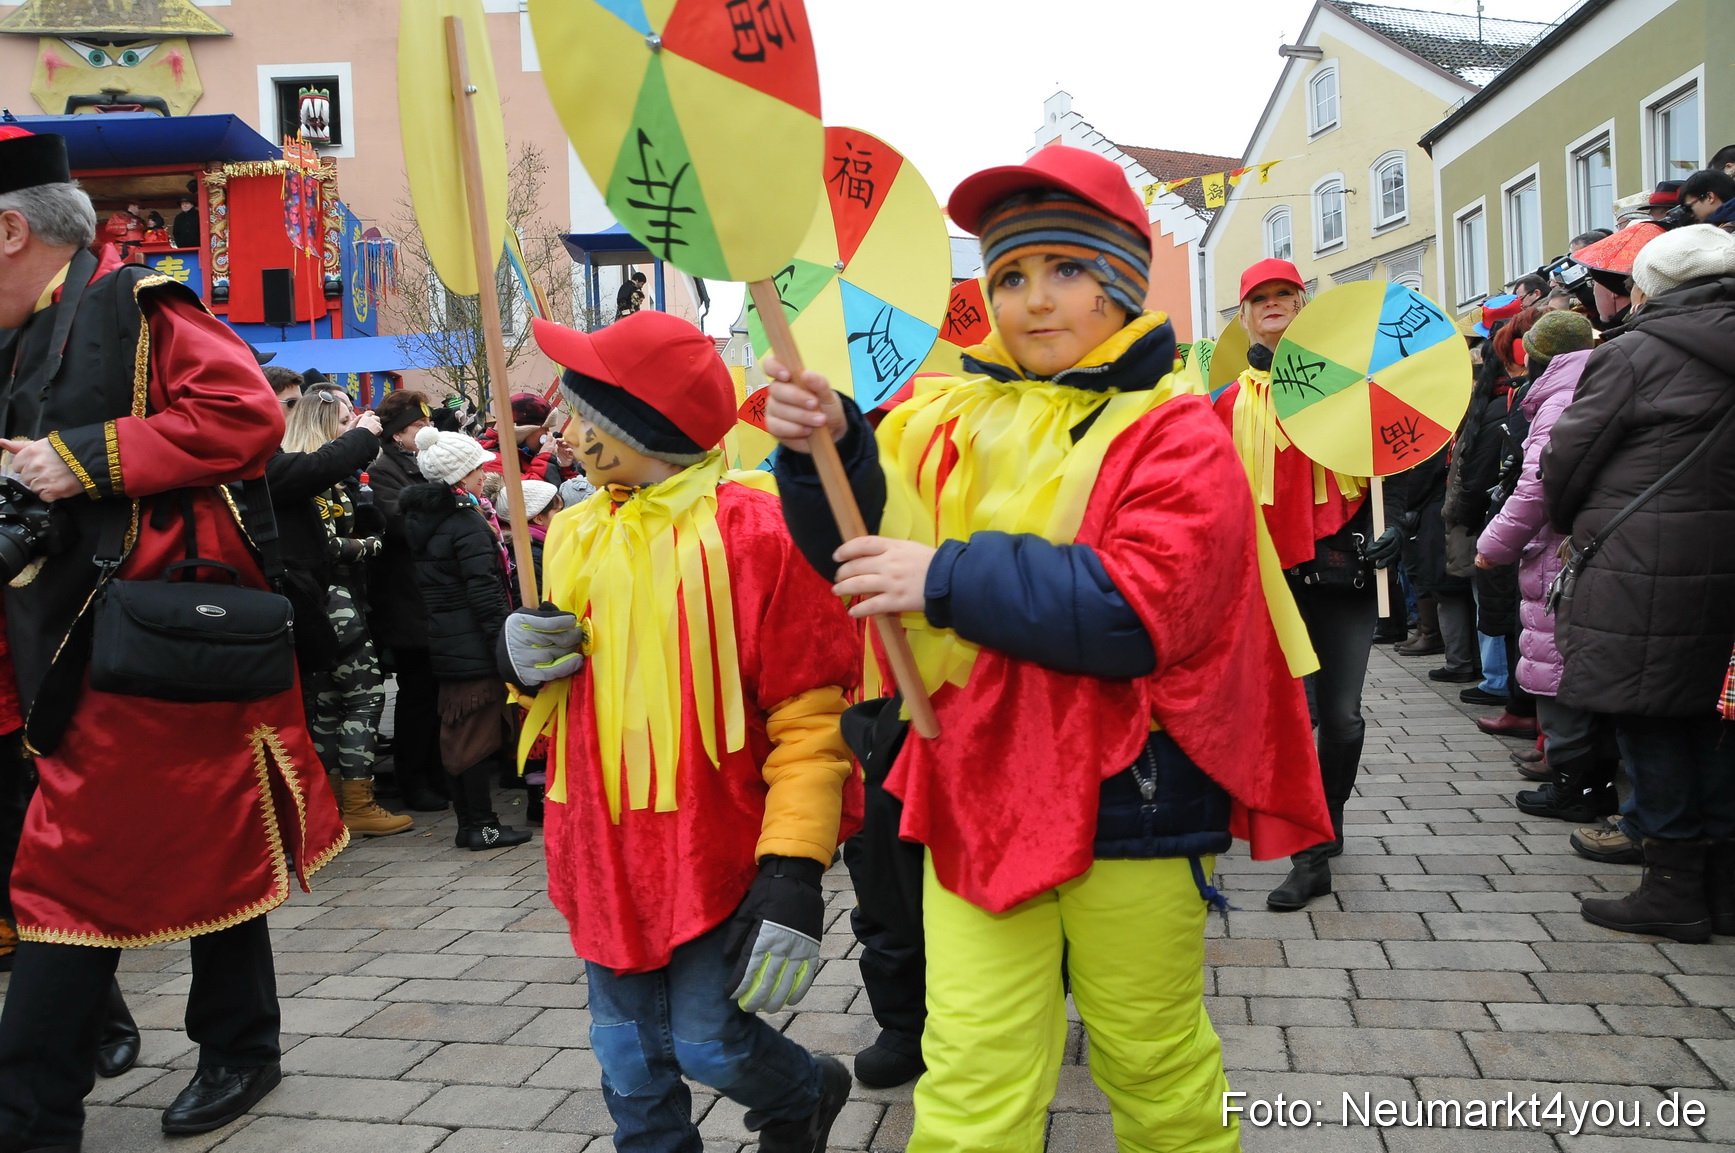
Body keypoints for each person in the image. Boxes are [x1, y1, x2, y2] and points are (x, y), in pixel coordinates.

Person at [765, 145, 1328, 1151]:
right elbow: (855, 543)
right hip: (977, 787)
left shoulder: (1175, 432)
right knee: (972, 1066)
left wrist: (941, 577)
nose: (1033, 301)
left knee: (1149, 1057)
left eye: (1065, 270)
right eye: (1011, 276)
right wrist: (828, 450)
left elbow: (1139, 611)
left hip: (1135, 796)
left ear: (1119, 281)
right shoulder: (948, 417)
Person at [0, 129, 346, 1146]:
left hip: (144, 645)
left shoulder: (141, 303)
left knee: (65, 876)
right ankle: (242, 1042)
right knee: (210, 836)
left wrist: (85, 457)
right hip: (74, 643)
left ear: (11, 230)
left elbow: (244, 417)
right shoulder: (27, 329)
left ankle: (32, 1114)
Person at [507, 310, 860, 1151]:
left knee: (707, 1038)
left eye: (581, 408)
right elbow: (560, 710)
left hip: (718, 844)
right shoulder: (573, 530)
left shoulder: (759, 532)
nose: (563, 424)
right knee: (624, 1054)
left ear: (635, 429)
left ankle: (804, 1089)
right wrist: (522, 662)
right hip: (602, 841)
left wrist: (793, 871)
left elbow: (811, 718)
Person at [1542, 225, 1735, 942]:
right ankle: (1723, 888)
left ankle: (1672, 887)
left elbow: (1568, 455)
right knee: (1719, 721)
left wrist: (1572, 520)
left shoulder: (1631, 352)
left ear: (1648, 288)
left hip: (1643, 565)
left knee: (1649, 717)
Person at [1212, 258, 1400, 912]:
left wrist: (1396, 520)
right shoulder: (1227, 404)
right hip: (1267, 583)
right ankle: (1310, 853)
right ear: (1242, 316)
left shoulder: (1350, 384)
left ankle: (1332, 813)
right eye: (1256, 297)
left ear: (1302, 302)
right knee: (1297, 717)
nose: (1270, 305)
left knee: (1341, 718)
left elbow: (1400, 453)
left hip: (1342, 573)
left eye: (1281, 295)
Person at [1473, 313, 1621, 833]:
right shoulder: (1602, 378)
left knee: (1557, 667)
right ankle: (1581, 780)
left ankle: (1575, 787)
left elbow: (1537, 484)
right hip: (1583, 546)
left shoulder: (1559, 397)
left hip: (1559, 552)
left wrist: (1493, 543)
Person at [274, 385, 412, 837]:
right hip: (334, 604)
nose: (351, 427)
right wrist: (374, 543)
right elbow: (328, 545)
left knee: (329, 706)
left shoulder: (313, 475)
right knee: (363, 697)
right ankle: (356, 801)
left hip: (323, 601)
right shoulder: (314, 479)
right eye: (342, 422)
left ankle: (333, 807)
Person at [401, 426, 533, 849]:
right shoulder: (465, 524)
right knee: (475, 737)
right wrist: (503, 642)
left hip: (447, 639)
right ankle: (482, 825)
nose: (483, 473)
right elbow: (485, 591)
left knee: (460, 734)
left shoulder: (427, 520)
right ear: (459, 476)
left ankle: (472, 823)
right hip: (473, 643)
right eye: (477, 467)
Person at [367, 388, 447, 811]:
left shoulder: (423, 464)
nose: (426, 430)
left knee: (435, 693)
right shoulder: (384, 470)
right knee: (417, 695)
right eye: (418, 425)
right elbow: (399, 523)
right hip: (405, 597)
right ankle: (412, 777)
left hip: (429, 593)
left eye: (428, 423)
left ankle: (434, 771)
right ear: (397, 434)